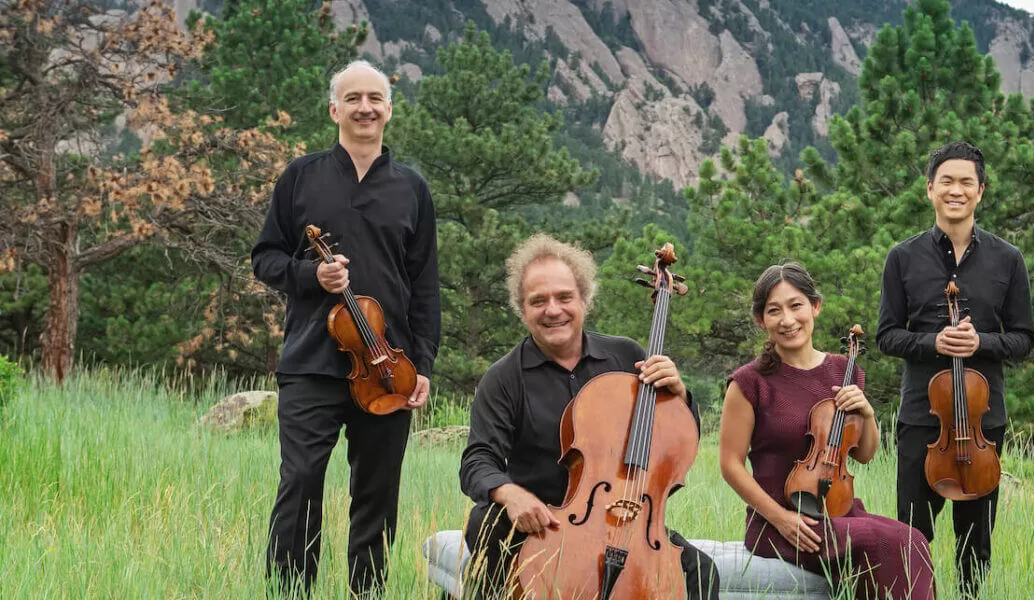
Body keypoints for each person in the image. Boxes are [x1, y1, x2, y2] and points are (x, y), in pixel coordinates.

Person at [251, 59, 440, 598]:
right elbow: (264, 259)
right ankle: (289, 591)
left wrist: (422, 364)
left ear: (389, 110)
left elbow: (425, 286)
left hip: (387, 368)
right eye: (353, 98)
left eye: (375, 98)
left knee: (377, 495)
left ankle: (368, 594)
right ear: (334, 109)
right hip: (311, 362)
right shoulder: (300, 177)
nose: (365, 107)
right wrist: (311, 274)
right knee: (301, 483)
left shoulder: (412, 189)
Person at [458, 234, 719, 599]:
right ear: (523, 309)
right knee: (484, 521)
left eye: (564, 297)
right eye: (538, 301)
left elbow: (674, 441)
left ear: (583, 300)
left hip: (621, 522)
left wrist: (680, 395)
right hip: (542, 522)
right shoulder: (504, 378)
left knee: (701, 571)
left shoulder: (627, 356)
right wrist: (510, 494)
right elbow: (477, 460)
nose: (553, 310)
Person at [719, 263, 935, 600]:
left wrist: (867, 412)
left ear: (815, 306)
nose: (787, 320)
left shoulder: (844, 370)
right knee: (893, 543)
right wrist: (780, 519)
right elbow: (730, 464)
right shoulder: (749, 382)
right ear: (762, 320)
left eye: (796, 305)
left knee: (914, 539)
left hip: (839, 512)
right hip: (781, 524)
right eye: (774, 311)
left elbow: (863, 454)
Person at [877, 141, 1034, 598]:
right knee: (910, 539)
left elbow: (1024, 338)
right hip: (922, 419)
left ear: (980, 192)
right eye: (946, 180)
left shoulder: (1009, 260)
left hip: (983, 424)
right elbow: (888, 334)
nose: (956, 190)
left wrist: (982, 342)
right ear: (930, 189)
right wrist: (933, 342)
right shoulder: (902, 258)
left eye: (967, 181)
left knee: (975, 544)